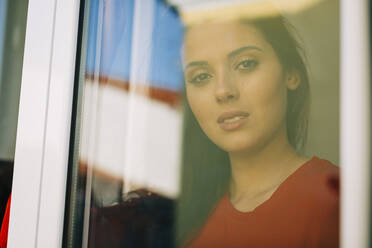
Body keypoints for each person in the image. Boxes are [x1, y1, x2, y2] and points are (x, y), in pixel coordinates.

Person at [176, 10, 339, 248]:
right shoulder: (182, 213)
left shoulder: (336, 201)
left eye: (245, 64)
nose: (223, 90)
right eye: (201, 77)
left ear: (291, 74)